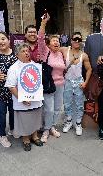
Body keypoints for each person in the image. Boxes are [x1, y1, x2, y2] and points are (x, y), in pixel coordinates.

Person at [5, 43, 43, 151]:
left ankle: (35, 136)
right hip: (22, 100)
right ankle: (26, 139)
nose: (26, 53)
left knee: (35, 118)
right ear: (17, 54)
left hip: (35, 99)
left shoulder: (35, 65)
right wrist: (22, 97)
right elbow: (11, 86)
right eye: (23, 51)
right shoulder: (14, 68)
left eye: (27, 51)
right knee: (24, 120)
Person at [38, 13, 66, 143]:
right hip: (49, 85)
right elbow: (40, 38)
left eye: (58, 40)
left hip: (60, 85)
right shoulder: (45, 52)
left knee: (56, 109)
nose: (57, 42)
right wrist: (44, 23)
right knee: (48, 109)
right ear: (48, 44)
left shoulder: (61, 54)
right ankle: (45, 129)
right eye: (54, 40)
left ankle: (52, 126)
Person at [60, 32, 92, 136]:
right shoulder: (65, 50)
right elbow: (51, 50)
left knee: (79, 104)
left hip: (79, 81)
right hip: (67, 81)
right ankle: (68, 121)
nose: (77, 41)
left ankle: (78, 123)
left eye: (79, 39)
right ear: (71, 40)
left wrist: (85, 82)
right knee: (67, 103)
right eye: (75, 39)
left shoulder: (84, 55)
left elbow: (89, 69)